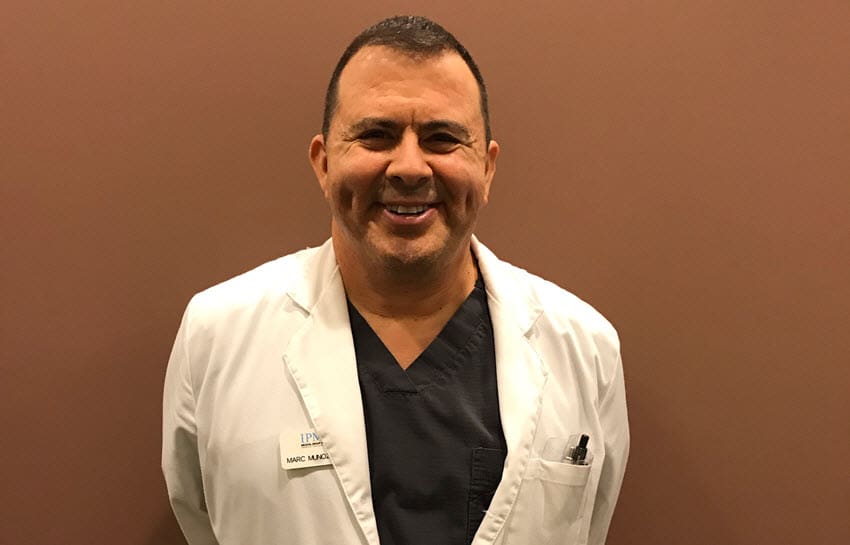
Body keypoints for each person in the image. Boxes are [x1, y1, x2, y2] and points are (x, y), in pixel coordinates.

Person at [162, 15, 628, 545]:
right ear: (323, 163)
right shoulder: (217, 335)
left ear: (487, 168)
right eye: (376, 136)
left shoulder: (585, 347)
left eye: (442, 139)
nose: (409, 167)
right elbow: (198, 514)